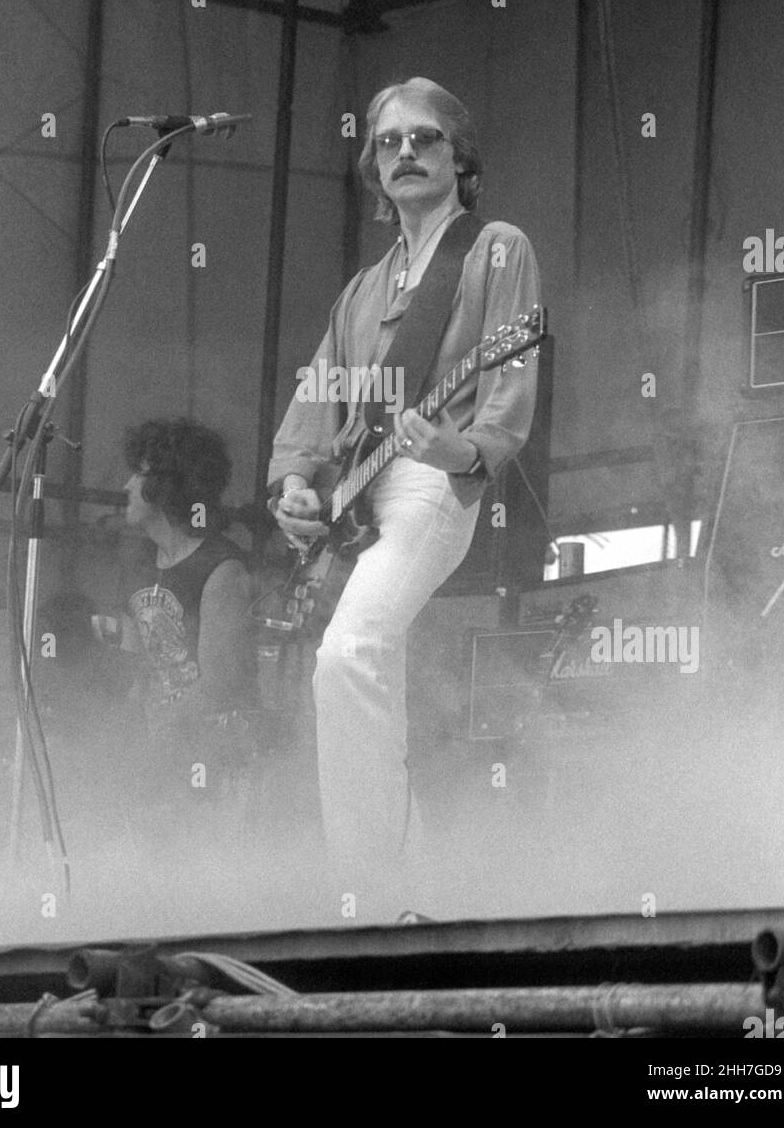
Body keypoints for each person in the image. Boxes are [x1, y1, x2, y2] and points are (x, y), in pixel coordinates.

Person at [267, 77, 542, 914]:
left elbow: (510, 376)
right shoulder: (362, 288)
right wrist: (294, 485)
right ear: (374, 167)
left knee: (349, 655)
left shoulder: (496, 247)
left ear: (459, 156)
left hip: (432, 482)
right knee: (343, 674)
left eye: (424, 138)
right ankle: (410, 887)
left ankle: (366, 889)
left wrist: (465, 445)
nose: (406, 153)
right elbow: (319, 395)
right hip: (361, 486)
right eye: (389, 142)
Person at [95, 418, 255, 826]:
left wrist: (157, 740)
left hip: (212, 759)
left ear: (168, 485)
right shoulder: (137, 561)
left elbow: (219, 685)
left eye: (139, 473)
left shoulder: (222, 568)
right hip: (159, 753)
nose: (128, 486)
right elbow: (133, 664)